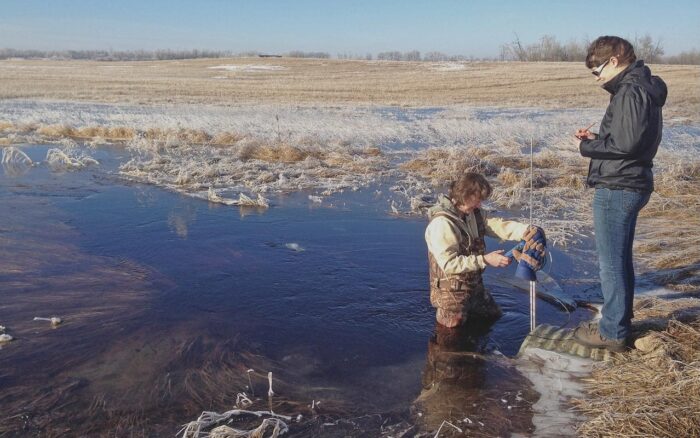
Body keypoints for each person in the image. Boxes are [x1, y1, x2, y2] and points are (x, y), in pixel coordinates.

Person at [573, 36, 667, 351]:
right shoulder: (642, 88)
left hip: (619, 186)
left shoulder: (630, 92)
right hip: (630, 181)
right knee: (619, 259)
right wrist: (600, 137)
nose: (596, 78)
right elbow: (628, 140)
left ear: (614, 60)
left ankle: (612, 332)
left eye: (596, 70)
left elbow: (625, 146)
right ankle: (617, 321)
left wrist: (586, 146)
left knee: (611, 263)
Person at [425, 172, 545, 328]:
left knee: (492, 316)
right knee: (451, 333)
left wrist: (526, 231)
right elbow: (449, 264)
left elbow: (497, 226)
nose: (480, 204)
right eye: (478, 199)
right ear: (464, 195)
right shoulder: (442, 224)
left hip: (474, 287)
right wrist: (486, 260)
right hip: (450, 295)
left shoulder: (473, 214)